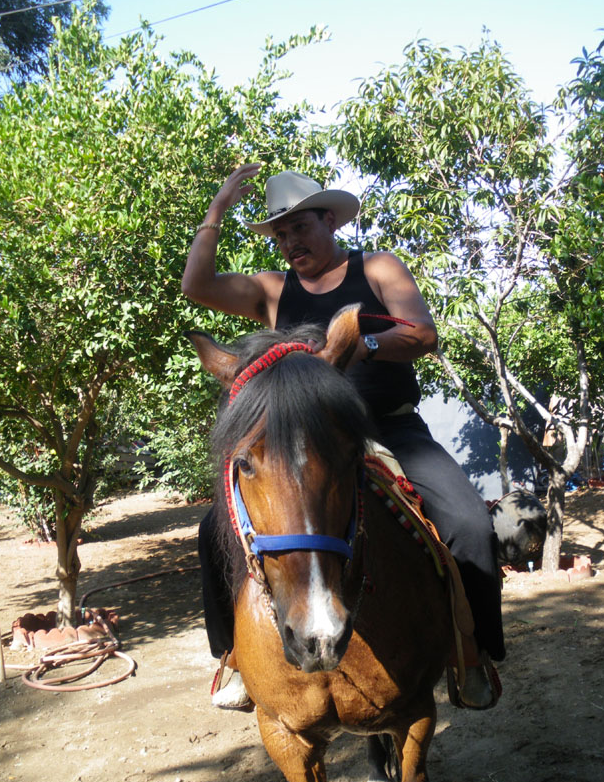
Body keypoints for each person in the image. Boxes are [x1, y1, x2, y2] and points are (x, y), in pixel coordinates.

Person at [182, 164, 505, 710]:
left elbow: (423, 333)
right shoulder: (271, 290)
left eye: (299, 227)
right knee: (214, 528)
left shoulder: (376, 267)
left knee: (470, 522)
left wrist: (360, 345)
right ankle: (233, 656)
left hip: (392, 429)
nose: (290, 242)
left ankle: (472, 653)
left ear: (329, 220)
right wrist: (216, 211)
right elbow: (196, 287)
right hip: (311, 441)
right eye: (280, 234)